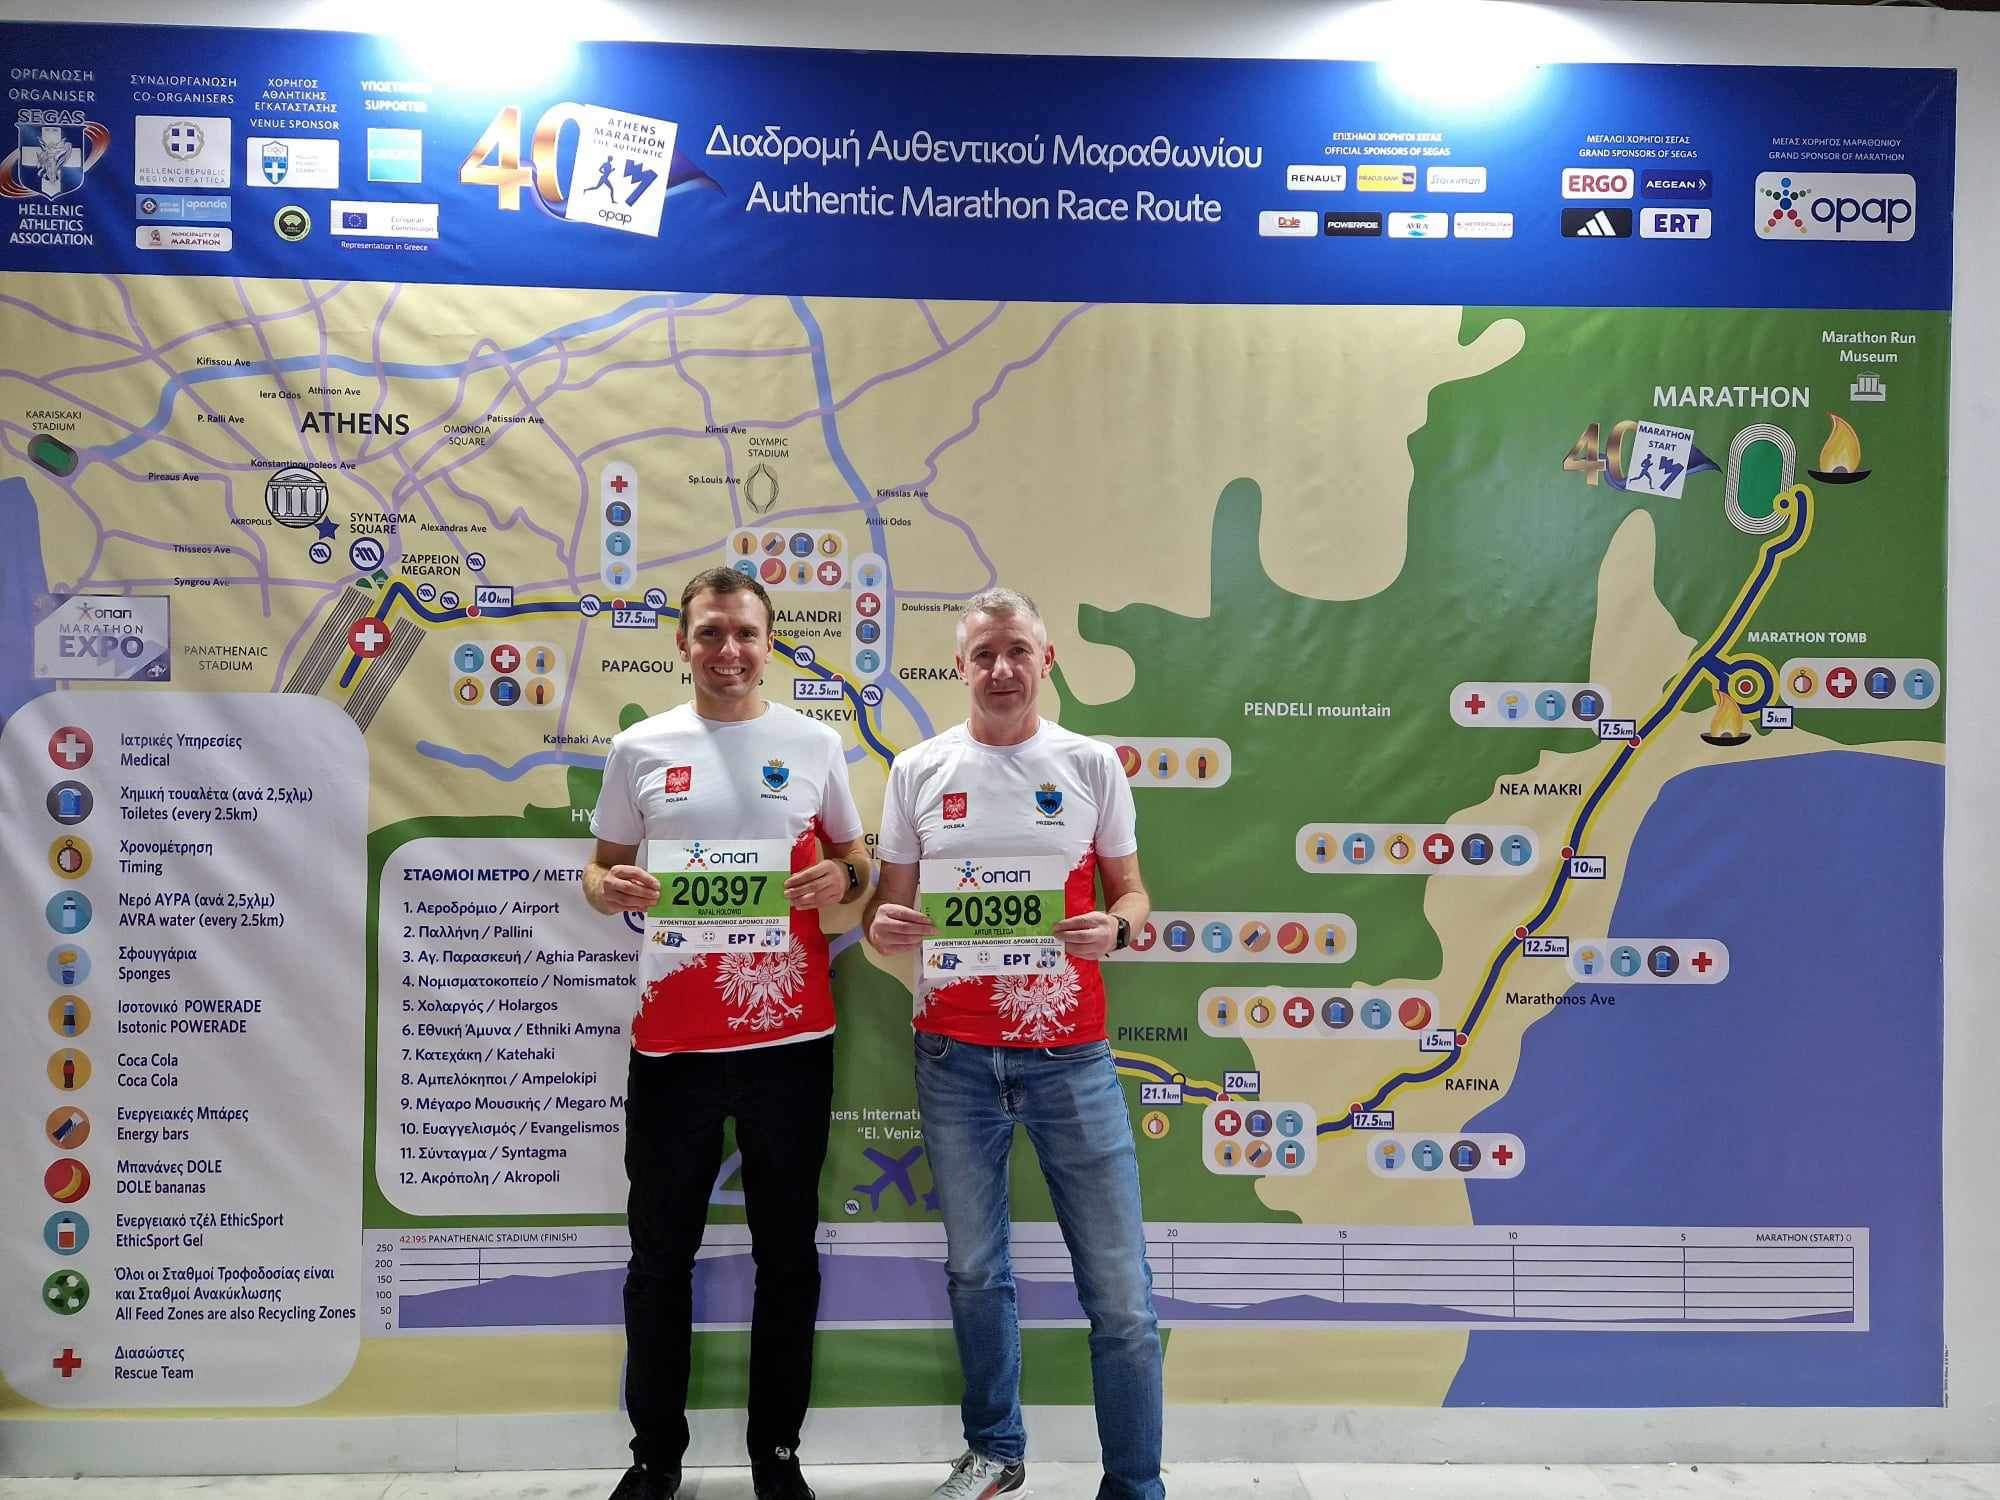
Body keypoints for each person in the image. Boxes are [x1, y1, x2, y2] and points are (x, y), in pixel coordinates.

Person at [865, 587, 1164, 1500]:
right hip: (953, 1057)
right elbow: (886, 914)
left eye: (1017, 651)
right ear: (960, 666)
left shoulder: (1090, 763)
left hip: (1073, 1057)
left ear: (1046, 660)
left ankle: (1135, 1484)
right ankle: (995, 1451)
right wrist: (886, 926)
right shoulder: (919, 769)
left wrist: (1117, 927)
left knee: (1121, 1293)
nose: (1001, 669)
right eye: (984, 654)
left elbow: (1134, 895)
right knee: (975, 1271)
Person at [584, 566, 871, 1500]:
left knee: (786, 1258)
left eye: (745, 632)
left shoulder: (814, 743)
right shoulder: (639, 747)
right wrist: (608, 888)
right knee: (658, 1259)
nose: (728, 650)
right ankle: (654, 1457)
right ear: (683, 644)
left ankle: (776, 1455)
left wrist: (844, 879)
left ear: (769, 643)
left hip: (790, 1045)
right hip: (672, 1048)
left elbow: (858, 861)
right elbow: (599, 868)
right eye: (710, 632)